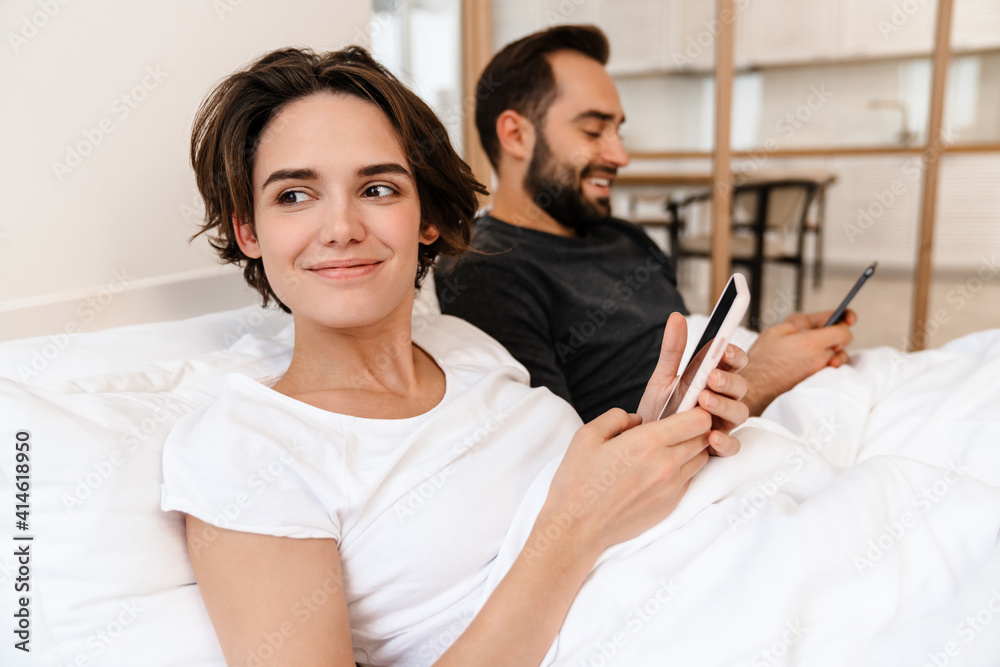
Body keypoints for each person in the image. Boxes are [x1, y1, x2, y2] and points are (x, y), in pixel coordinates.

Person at [159, 46, 750, 666]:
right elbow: (572, 519)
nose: (340, 226)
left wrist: (662, 428)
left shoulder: (466, 348)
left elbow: (579, 495)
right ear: (249, 230)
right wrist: (575, 528)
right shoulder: (246, 452)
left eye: (378, 188)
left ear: (428, 219)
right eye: (294, 196)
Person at [435, 24, 856, 423]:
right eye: (594, 130)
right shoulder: (485, 271)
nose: (621, 156)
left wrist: (765, 350)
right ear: (515, 135)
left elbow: (682, 360)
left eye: (617, 130)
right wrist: (764, 377)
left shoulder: (625, 237)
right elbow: (564, 458)